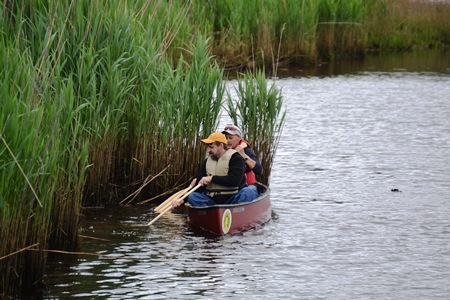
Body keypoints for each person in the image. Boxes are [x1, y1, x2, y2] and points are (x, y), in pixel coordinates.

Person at [173, 132, 258, 207]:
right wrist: (182, 200)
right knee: (193, 197)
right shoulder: (207, 162)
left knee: (249, 191)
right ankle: (212, 212)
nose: (208, 150)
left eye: (211, 147)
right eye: (208, 147)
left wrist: (211, 178)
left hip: (233, 198)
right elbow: (199, 187)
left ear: (220, 145)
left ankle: (234, 211)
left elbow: (234, 181)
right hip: (213, 201)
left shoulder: (236, 159)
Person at [222, 124, 262, 196]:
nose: (227, 141)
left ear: (239, 138)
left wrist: (243, 155)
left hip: (246, 186)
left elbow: (259, 170)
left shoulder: (246, 151)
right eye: (226, 138)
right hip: (227, 186)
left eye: (230, 138)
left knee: (247, 192)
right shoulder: (221, 150)